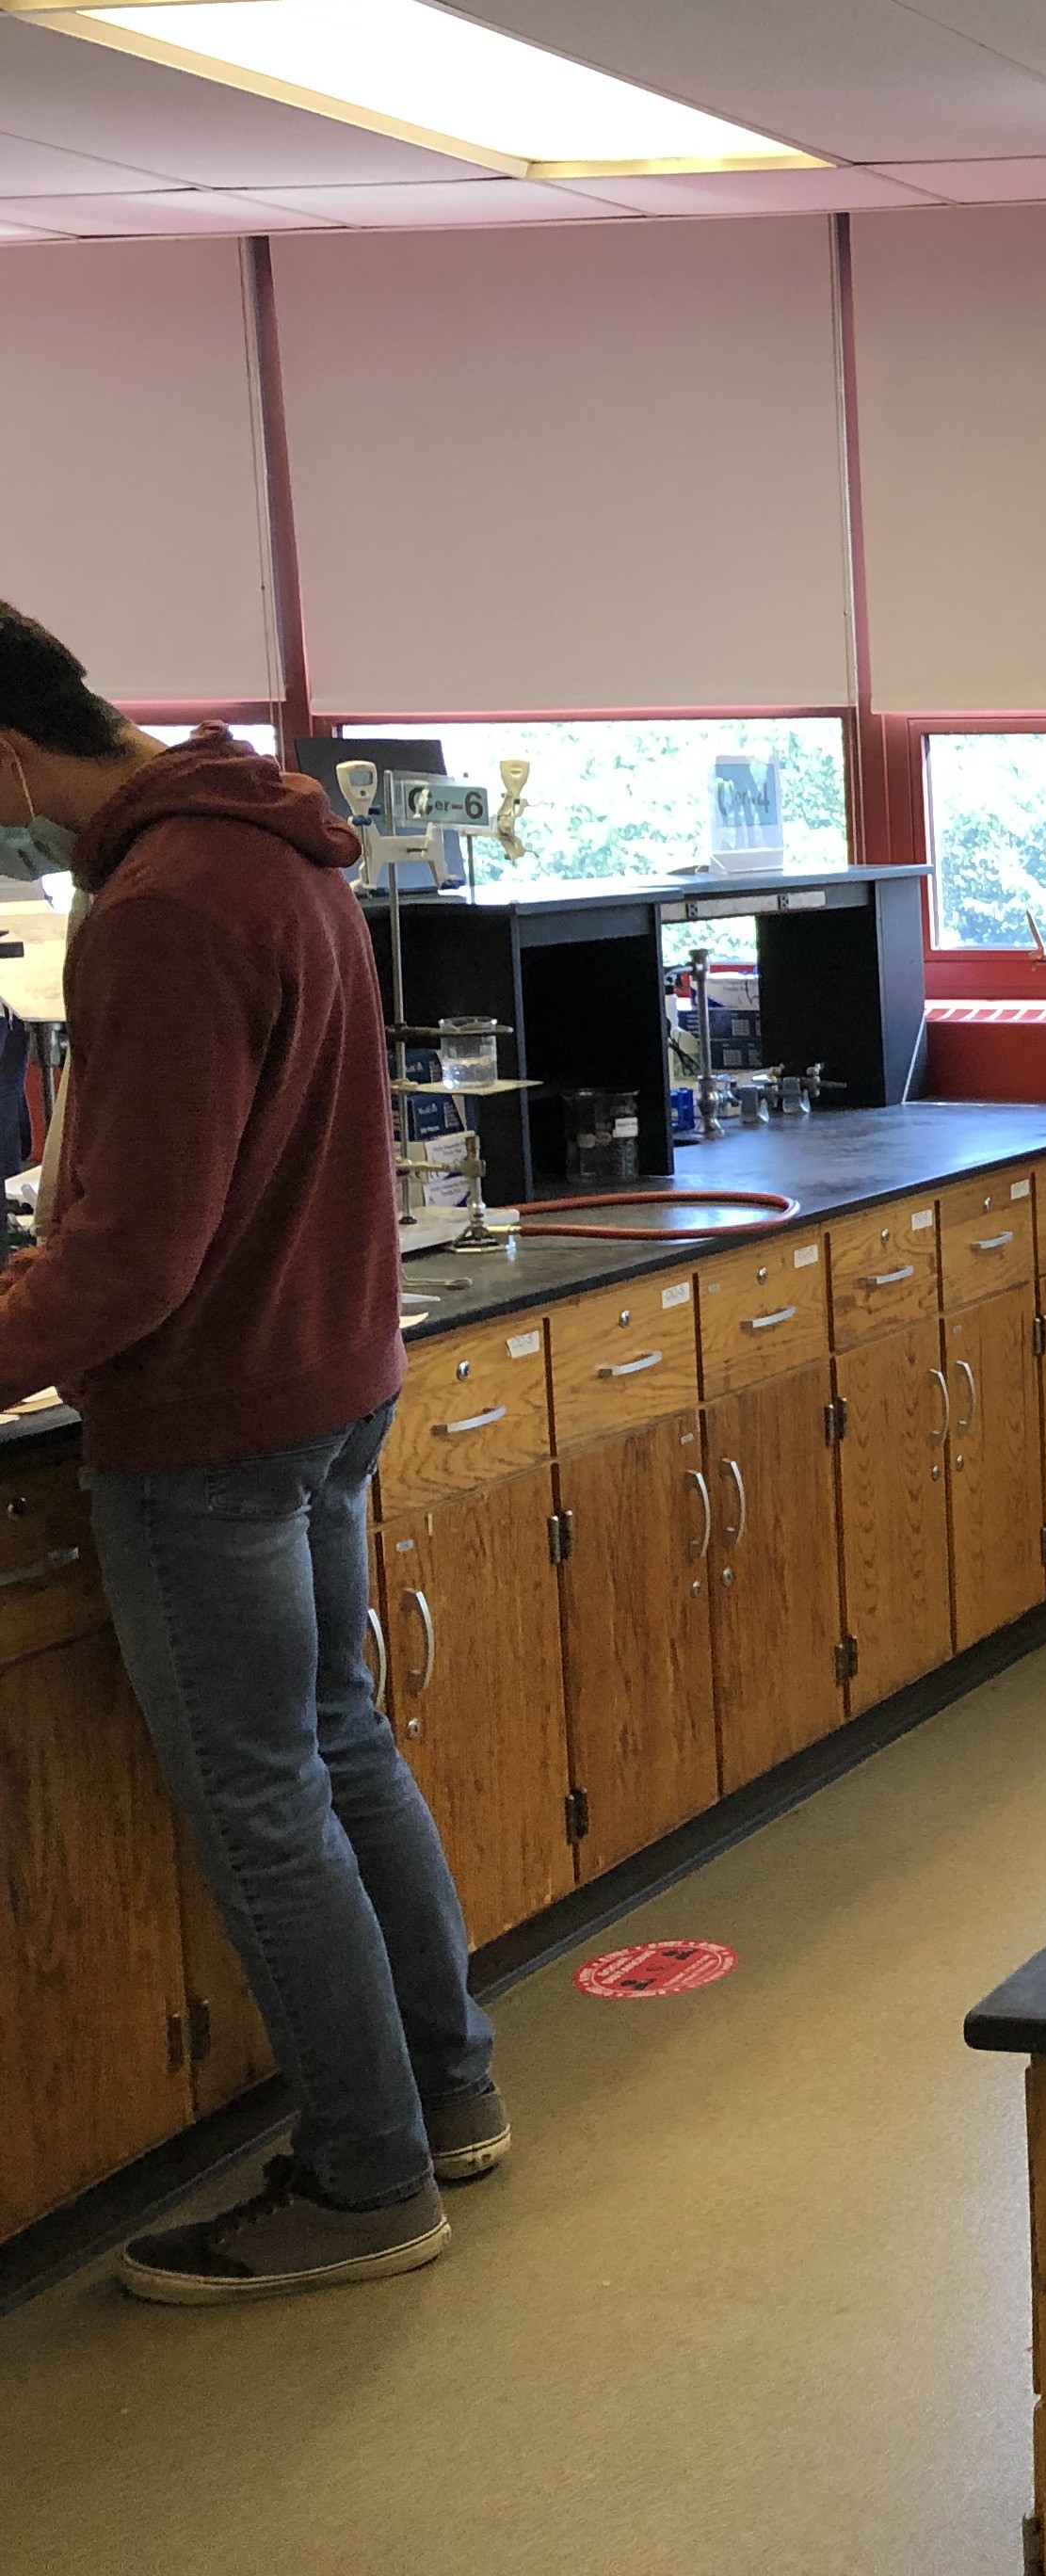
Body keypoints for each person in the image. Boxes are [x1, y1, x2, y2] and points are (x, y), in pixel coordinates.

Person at [0, 604, 504, 2304]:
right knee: (338, 1736)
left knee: (260, 1791)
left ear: (5, 759)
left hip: (210, 1420)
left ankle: (363, 2178)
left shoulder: (155, 909)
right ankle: (446, 2094)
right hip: (331, 1380)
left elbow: (132, 1257)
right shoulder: (278, 846)